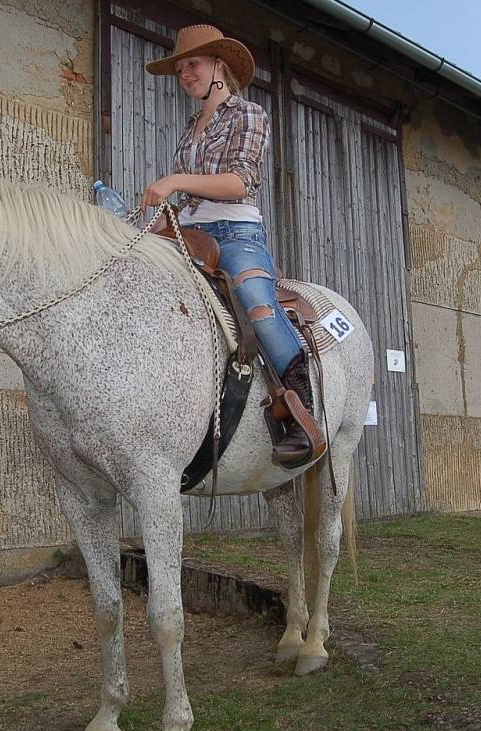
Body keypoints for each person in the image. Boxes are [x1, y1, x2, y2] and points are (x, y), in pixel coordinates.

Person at [142, 24, 324, 467]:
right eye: (180, 68)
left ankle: (301, 412)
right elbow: (187, 196)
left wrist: (173, 180)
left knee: (254, 300)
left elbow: (240, 181)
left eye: (193, 64)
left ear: (219, 65)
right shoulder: (191, 126)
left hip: (236, 232)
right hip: (187, 233)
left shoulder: (249, 115)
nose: (185, 74)